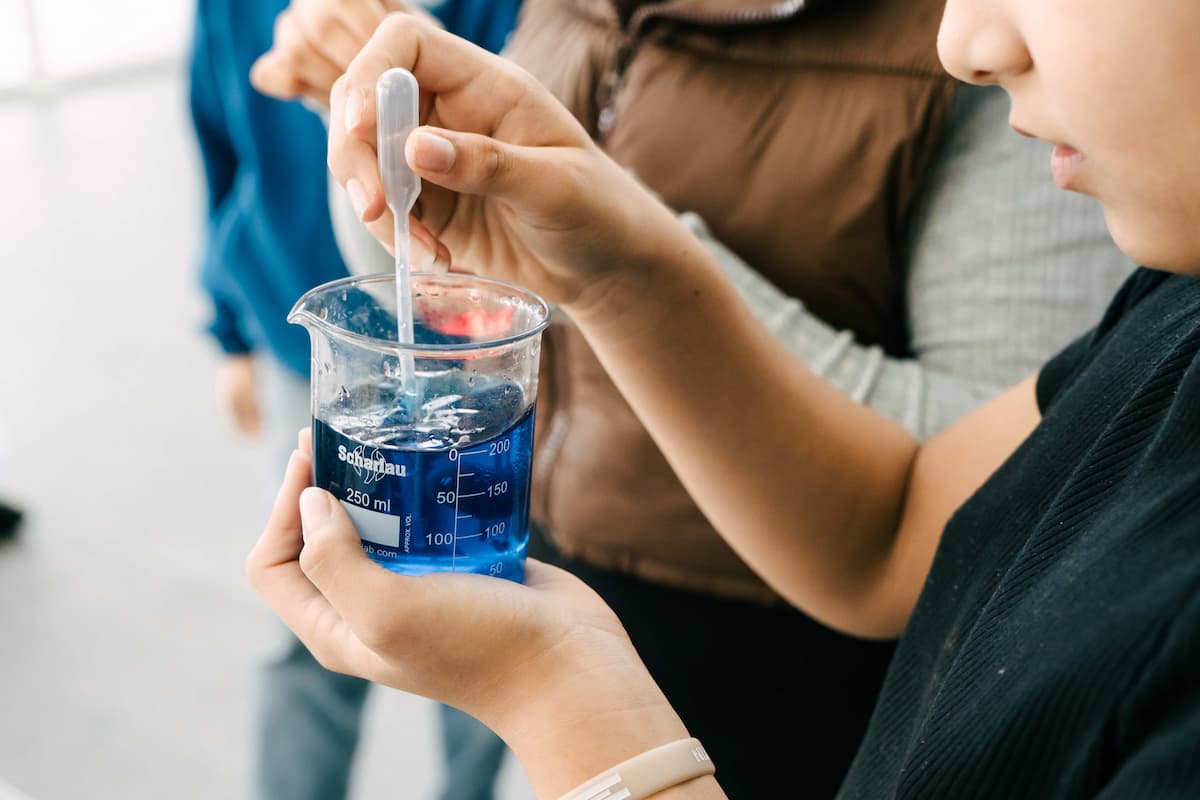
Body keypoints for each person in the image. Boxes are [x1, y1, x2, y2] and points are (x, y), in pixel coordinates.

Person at [249, 1, 1200, 797]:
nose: (966, 43)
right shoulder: (1174, 307)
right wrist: (617, 269)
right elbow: (901, 533)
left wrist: (557, 694)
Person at [189, 1, 516, 798]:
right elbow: (217, 141)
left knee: (481, 612)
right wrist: (231, 330)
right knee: (307, 609)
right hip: (307, 352)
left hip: (478, 363)